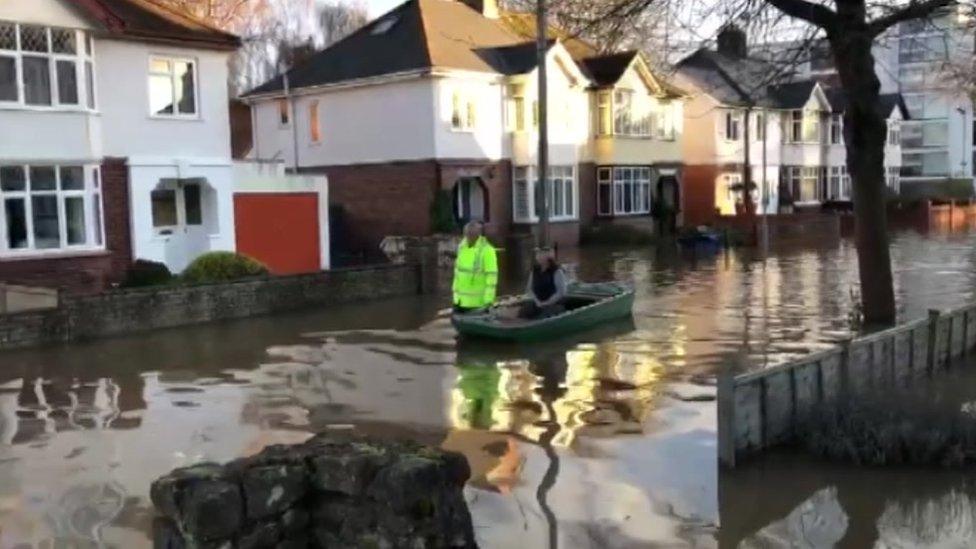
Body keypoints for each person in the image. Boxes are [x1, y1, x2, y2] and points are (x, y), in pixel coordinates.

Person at [452, 221, 498, 314]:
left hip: (479, 304)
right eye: (467, 235)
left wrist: (488, 301)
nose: (468, 237)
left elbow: (491, 278)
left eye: (471, 235)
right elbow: (457, 274)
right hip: (460, 302)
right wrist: (455, 298)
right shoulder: (462, 247)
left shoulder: (487, 251)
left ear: (478, 236)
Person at [521, 248, 568, 319]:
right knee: (522, 314)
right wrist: (537, 302)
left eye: (541, 254)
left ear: (548, 257)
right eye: (538, 254)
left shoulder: (557, 271)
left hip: (554, 304)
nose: (538, 256)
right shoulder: (535, 270)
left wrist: (547, 303)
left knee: (542, 317)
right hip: (537, 302)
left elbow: (561, 292)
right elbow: (529, 289)